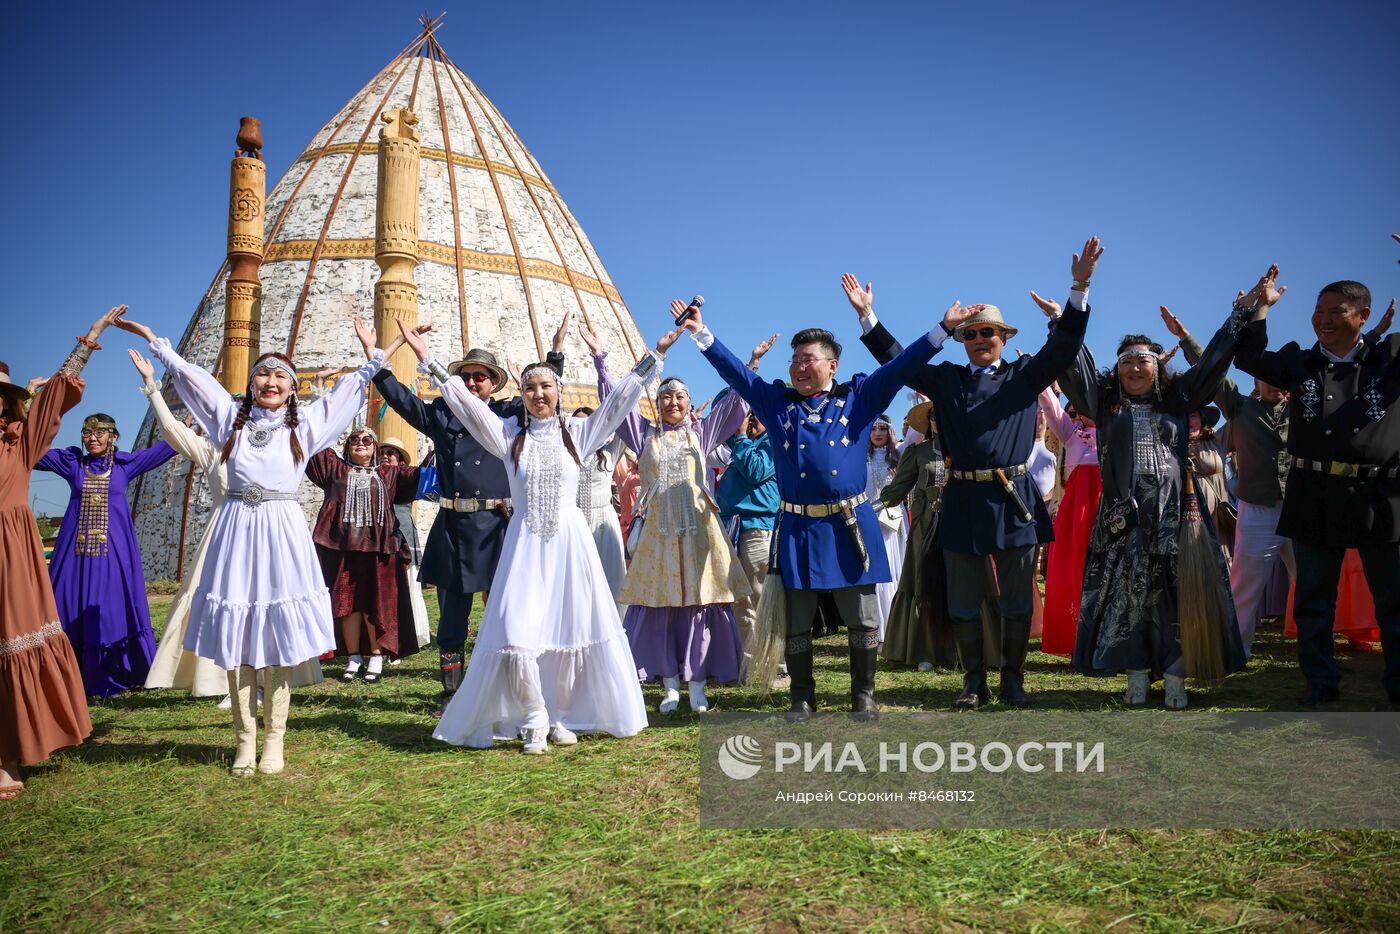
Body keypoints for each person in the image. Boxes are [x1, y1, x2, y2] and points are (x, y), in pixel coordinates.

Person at [116, 311, 386, 776]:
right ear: (252, 383)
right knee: (240, 637)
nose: (270, 379)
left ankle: (275, 740)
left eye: (281, 373)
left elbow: (347, 393)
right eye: (263, 372)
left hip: (281, 530)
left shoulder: (304, 427)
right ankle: (244, 740)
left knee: (276, 640)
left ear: (292, 387)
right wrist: (157, 345)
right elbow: (195, 379)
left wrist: (370, 354)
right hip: (238, 528)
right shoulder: (229, 422)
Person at [687, 286, 959, 719]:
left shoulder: (859, 397)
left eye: (808, 359)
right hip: (797, 528)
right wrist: (704, 335)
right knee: (797, 621)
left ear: (833, 365)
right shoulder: (777, 404)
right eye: (794, 360)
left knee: (863, 616)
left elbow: (901, 367)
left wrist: (940, 330)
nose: (798, 367)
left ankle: (863, 695)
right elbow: (738, 374)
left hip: (850, 525)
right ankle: (802, 697)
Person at [852, 240, 1099, 708]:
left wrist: (1079, 287)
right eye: (970, 333)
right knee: (963, 601)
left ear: (1003, 337)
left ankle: (1012, 679)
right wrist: (869, 317)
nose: (980, 339)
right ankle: (973, 682)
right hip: (961, 500)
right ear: (961, 340)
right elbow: (899, 361)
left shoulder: (1026, 374)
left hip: (1015, 499)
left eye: (988, 331)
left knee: (1017, 603)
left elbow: (1065, 345)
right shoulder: (946, 379)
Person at [404, 321, 665, 753]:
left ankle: (560, 716)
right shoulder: (509, 437)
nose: (539, 394)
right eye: (530, 389)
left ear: (558, 390)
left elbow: (619, 403)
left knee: (568, 632)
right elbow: (468, 407)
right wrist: (428, 359)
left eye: (546, 386)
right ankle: (533, 713)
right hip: (524, 545)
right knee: (514, 631)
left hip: (570, 546)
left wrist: (653, 356)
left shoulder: (580, 434)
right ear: (522, 396)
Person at [1061, 270, 1266, 708]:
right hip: (1123, 519)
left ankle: (1177, 673)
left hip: (1178, 516)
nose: (1135, 367)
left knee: (1179, 594)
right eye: (1127, 361)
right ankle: (1136, 673)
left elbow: (1213, 360)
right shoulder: (1103, 403)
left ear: (1159, 366)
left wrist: (1242, 312)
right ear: (1117, 370)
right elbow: (1071, 364)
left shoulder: (1180, 398)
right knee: (1128, 594)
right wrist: (1076, 297)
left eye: (1144, 360)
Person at [372, 315, 568, 714]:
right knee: (452, 618)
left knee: (509, 610)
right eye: (468, 376)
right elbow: (402, 401)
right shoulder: (443, 414)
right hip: (454, 527)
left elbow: (545, 400)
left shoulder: (510, 415)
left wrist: (555, 353)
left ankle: (509, 686)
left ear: (494, 382)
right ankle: (453, 692)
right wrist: (377, 360)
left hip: (498, 526)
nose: (474, 382)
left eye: (482, 376)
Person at [1233, 265, 1400, 706]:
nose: (1323, 319)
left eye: (1336, 311)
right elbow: (1248, 358)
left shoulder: (1390, 359)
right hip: (1312, 494)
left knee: (1394, 600)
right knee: (1312, 600)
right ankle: (1320, 685)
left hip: (1378, 496)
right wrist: (1261, 309)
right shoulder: (1300, 362)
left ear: (1363, 315)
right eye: (1318, 310)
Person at [592, 324, 765, 713]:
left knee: (700, 605)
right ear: (657, 403)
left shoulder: (701, 434)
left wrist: (751, 363)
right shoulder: (643, 434)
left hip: (700, 533)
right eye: (666, 396)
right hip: (658, 535)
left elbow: (736, 402)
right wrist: (601, 362)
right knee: (661, 609)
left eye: (680, 396)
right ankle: (669, 684)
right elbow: (616, 404)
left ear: (689, 403)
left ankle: (697, 682)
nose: (673, 402)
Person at [131, 350, 322, 700]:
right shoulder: (213, 449)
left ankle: (272, 681)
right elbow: (173, 432)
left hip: (270, 529)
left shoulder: (278, 440)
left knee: (274, 599)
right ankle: (221, 682)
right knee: (225, 602)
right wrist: (152, 389)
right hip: (228, 529)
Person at [1, 308, 124, 799]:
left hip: (9, 557)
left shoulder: (18, 444)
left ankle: (6, 754)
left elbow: (54, 397)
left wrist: (88, 341)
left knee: (10, 642)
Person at [38, 397, 176, 697]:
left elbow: (162, 451)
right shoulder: (73, 464)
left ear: (113, 437)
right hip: (75, 554)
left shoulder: (125, 465)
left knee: (111, 608)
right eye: (88, 433)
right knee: (66, 605)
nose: (93, 438)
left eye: (100, 433)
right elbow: (32, 453)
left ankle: (119, 670)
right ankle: (64, 673)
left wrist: (183, 428)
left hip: (113, 552)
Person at [306, 425, 421, 683]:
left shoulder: (389, 474)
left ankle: (376, 656)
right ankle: (353, 656)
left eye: (367, 440)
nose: (361, 443)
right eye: (355, 440)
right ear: (347, 447)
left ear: (375, 447)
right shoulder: (334, 469)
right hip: (343, 550)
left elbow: (419, 476)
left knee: (375, 603)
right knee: (346, 604)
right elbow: (312, 443)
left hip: (379, 551)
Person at [1034, 359, 1101, 659]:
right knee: (1070, 574)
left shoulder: (1115, 429)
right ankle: (1073, 639)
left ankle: (1105, 642)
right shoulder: (1070, 434)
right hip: (1074, 514)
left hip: (1105, 511)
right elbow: (1049, 405)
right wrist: (1042, 375)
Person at [716, 411, 780, 665]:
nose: (750, 421)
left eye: (755, 414)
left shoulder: (773, 441)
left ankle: (775, 663)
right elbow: (721, 411)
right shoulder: (738, 445)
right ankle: (752, 663)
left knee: (760, 596)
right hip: (732, 527)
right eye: (746, 416)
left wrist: (742, 435)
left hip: (758, 529)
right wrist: (735, 420)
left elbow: (756, 471)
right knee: (740, 599)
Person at [569, 405, 629, 612]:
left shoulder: (609, 454)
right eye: (576, 424)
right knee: (574, 581)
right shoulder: (564, 456)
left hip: (603, 521)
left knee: (609, 577)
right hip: (573, 523)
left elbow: (625, 418)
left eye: (587, 423)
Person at [378, 437, 431, 656]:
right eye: (383, 452)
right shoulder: (373, 475)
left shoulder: (405, 475)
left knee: (408, 587)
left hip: (404, 536)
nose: (387, 456)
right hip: (381, 538)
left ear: (399, 458)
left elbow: (423, 475)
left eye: (392, 452)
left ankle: (412, 634)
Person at [867, 414, 906, 644]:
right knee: (874, 575)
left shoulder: (899, 456)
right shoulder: (862, 458)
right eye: (873, 429)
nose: (877, 433)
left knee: (892, 572)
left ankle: (893, 629)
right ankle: (876, 628)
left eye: (882, 428)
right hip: (869, 520)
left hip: (892, 522)